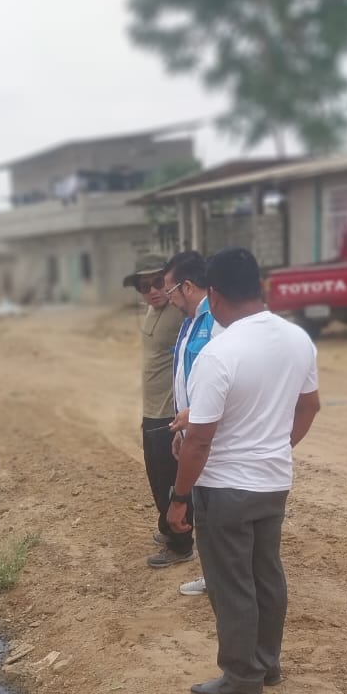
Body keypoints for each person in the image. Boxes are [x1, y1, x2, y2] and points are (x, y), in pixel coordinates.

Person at [165, 247, 320, 694]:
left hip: (224, 489)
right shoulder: (297, 339)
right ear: (260, 286)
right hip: (272, 483)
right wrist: (276, 447)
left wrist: (179, 498)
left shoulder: (220, 352)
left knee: (231, 584)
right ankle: (267, 665)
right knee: (266, 576)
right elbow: (309, 406)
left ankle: (241, 676)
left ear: (213, 294)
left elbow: (198, 440)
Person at [121, 252, 191, 568]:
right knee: (156, 476)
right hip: (151, 410)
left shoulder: (179, 312)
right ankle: (167, 526)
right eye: (144, 286)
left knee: (169, 480)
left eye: (158, 282)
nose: (152, 291)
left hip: (168, 412)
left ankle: (181, 545)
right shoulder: (152, 310)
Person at [160, 250, 219, 587]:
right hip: (192, 430)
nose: (168, 298)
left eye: (170, 290)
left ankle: (221, 576)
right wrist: (181, 429)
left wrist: (195, 417)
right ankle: (213, 573)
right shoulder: (189, 322)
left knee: (215, 508)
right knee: (204, 505)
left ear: (188, 286)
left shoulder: (217, 322)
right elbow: (184, 378)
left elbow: (228, 382)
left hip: (213, 434)